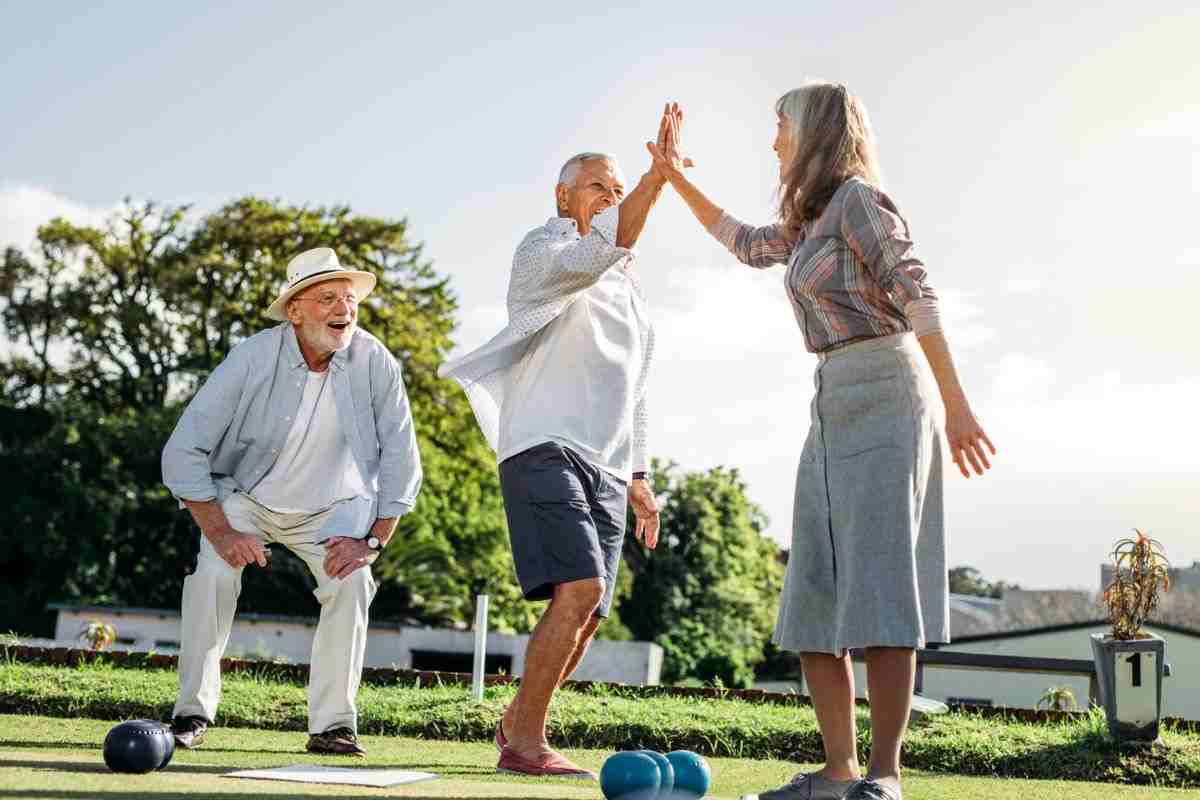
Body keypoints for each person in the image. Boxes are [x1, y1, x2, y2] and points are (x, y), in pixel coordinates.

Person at [647, 90, 995, 800]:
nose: (773, 138)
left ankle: (884, 776)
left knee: (881, 588)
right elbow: (745, 243)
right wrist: (673, 174)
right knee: (813, 593)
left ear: (814, 133)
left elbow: (919, 296)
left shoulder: (861, 202)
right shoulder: (806, 220)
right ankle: (837, 774)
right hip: (831, 395)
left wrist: (958, 408)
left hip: (889, 390)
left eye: (780, 125)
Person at [438, 108, 681, 778]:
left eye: (619, 186)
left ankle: (516, 721)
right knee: (577, 589)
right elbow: (594, 251)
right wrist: (657, 183)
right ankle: (525, 747)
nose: (611, 194)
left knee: (592, 611)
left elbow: (635, 388)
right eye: (600, 186)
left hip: (605, 461)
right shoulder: (543, 252)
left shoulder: (633, 294)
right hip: (542, 442)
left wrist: (637, 475)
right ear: (564, 195)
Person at [161, 247, 423, 757]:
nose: (342, 310)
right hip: (247, 498)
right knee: (212, 577)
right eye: (327, 298)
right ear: (295, 311)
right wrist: (221, 532)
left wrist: (372, 540)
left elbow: (401, 457)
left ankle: (332, 726)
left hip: (332, 509)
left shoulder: (376, 362)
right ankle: (191, 712)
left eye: (349, 299)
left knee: (353, 584)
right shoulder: (251, 357)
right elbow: (183, 451)